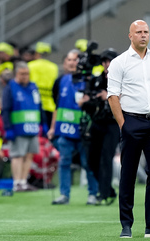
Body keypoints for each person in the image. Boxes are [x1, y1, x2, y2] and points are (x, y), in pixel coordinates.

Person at [107, 20, 150, 238]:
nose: (143, 35)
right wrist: (123, 125)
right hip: (131, 121)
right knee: (128, 174)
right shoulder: (119, 62)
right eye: (139, 32)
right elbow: (112, 96)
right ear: (130, 36)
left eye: (146, 32)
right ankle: (126, 225)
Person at [47, 53, 98, 205]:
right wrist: (52, 128)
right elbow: (57, 106)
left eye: (75, 59)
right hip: (64, 130)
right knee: (64, 162)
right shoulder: (60, 81)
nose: (72, 62)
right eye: (68, 59)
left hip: (84, 131)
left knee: (87, 163)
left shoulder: (89, 81)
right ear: (64, 63)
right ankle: (64, 195)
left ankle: (93, 194)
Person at [79, 48, 120, 205]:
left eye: (109, 61)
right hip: (96, 122)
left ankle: (103, 194)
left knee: (106, 157)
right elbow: (85, 103)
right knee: (91, 160)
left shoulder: (123, 80)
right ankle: (107, 189)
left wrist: (109, 96)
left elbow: (130, 101)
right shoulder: (95, 80)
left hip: (113, 123)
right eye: (104, 61)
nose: (106, 64)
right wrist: (87, 100)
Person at [2, 62, 45, 192]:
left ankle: (23, 181)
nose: (25, 76)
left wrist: (43, 123)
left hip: (32, 127)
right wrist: (8, 128)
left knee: (29, 154)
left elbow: (39, 105)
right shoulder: (10, 87)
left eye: (26, 74)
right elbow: (5, 109)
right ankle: (17, 183)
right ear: (16, 74)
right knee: (18, 155)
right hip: (18, 128)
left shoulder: (33, 87)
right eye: (22, 74)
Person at [28, 42, 59, 128]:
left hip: (34, 103)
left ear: (37, 53)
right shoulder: (54, 67)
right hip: (49, 104)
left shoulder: (30, 65)